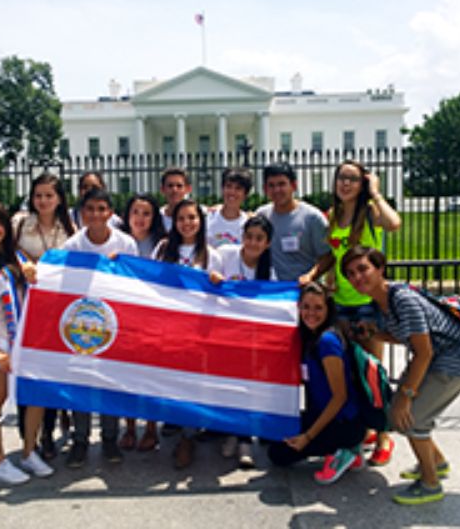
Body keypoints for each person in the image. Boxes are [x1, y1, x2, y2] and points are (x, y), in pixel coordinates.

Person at [342, 246, 460, 505]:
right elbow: (407, 335)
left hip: (452, 361)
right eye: (351, 273)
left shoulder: (402, 299)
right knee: (401, 413)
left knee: (411, 417)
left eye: (363, 269)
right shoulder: (383, 301)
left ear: (380, 268)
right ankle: (436, 462)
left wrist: (407, 395)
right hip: (437, 358)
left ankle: (430, 484)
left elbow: (423, 351)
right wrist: (374, 335)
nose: (358, 277)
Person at [304, 160, 402, 465]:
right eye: (341, 178)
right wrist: (312, 274)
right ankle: (364, 432)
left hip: (367, 303)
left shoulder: (370, 213)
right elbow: (333, 257)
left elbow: (394, 223)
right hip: (341, 304)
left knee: (373, 372)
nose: (345, 184)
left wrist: (375, 193)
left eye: (352, 179)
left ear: (362, 184)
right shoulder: (333, 217)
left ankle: (384, 437)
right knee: (352, 371)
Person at [0, 201, 54, 485]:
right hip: (0, 338)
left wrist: (31, 270)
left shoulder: (16, 255)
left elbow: (41, 274)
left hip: (27, 337)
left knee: (35, 394)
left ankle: (29, 451)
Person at [62, 188, 139, 468]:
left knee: (110, 381)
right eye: (90, 209)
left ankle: (109, 438)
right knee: (80, 381)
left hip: (114, 323)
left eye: (101, 209)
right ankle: (80, 440)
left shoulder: (126, 243)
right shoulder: (72, 246)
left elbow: (134, 283)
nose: (95, 215)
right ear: (82, 214)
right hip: (82, 321)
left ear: (110, 213)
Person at [267, 283, 366, 485]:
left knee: (278, 454)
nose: (311, 313)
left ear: (328, 309)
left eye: (318, 308)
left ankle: (346, 451)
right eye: (306, 307)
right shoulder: (309, 337)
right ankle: (340, 447)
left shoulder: (327, 342)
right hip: (323, 414)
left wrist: (308, 437)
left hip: (344, 423)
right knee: (274, 434)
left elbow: (340, 397)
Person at [153, 198, 223, 469]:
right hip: (170, 327)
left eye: (192, 218)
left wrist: (218, 281)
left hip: (198, 328)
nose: (187, 223)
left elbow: (223, 291)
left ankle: (188, 438)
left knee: (193, 382)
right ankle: (175, 425)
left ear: (201, 221)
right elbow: (150, 282)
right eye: (182, 218)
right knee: (172, 380)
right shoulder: (162, 248)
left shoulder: (211, 254)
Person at [13, 173, 76, 461]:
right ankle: (28, 436)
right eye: (38, 195)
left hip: (56, 313)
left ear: (59, 198)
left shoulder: (71, 230)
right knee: (25, 373)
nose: (43, 201)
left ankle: (48, 433)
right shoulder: (19, 225)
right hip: (23, 307)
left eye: (49, 195)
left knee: (49, 374)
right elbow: (6, 255)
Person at [213, 214, 275, 469]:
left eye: (259, 238)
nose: (253, 242)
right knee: (226, 386)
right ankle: (230, 432)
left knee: (246, 388)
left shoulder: (269, 271)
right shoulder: (226, 254)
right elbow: (208, 270)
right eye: (249, 236)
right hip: (223, 334)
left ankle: (244, 440)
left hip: (250, 339)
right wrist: (215, 277)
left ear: (267, 243)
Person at [117, 193, 167, 452]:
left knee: (150, 375)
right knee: (127, 374)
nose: (140, 218)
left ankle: (150, 428)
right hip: (124, 318)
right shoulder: (118, 241)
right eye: (135, 212)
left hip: (152, 319)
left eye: (146, 213)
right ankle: (128, 426)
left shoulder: (162, 244)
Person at [256, 162, 330, 283]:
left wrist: (310, 276)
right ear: (265, 189)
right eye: (271, 185)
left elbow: (328, 256)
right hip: (272, 292)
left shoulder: (312, 217)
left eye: (282, 184)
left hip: (304, 292)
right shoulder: (262, 215)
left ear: (294, 186)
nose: (277, 190)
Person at [206, 167, 251, 247]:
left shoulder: (248, 223)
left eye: (238, 188)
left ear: (245, 194)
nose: (232, 192)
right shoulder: (208, 217)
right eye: (228, 186)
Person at [159, 167, 193, 232]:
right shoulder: (156, 218)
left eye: (179, 186)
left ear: (188, 189)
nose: (174, 190)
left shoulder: (201, 214)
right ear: (162, 189)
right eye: (170, 186)